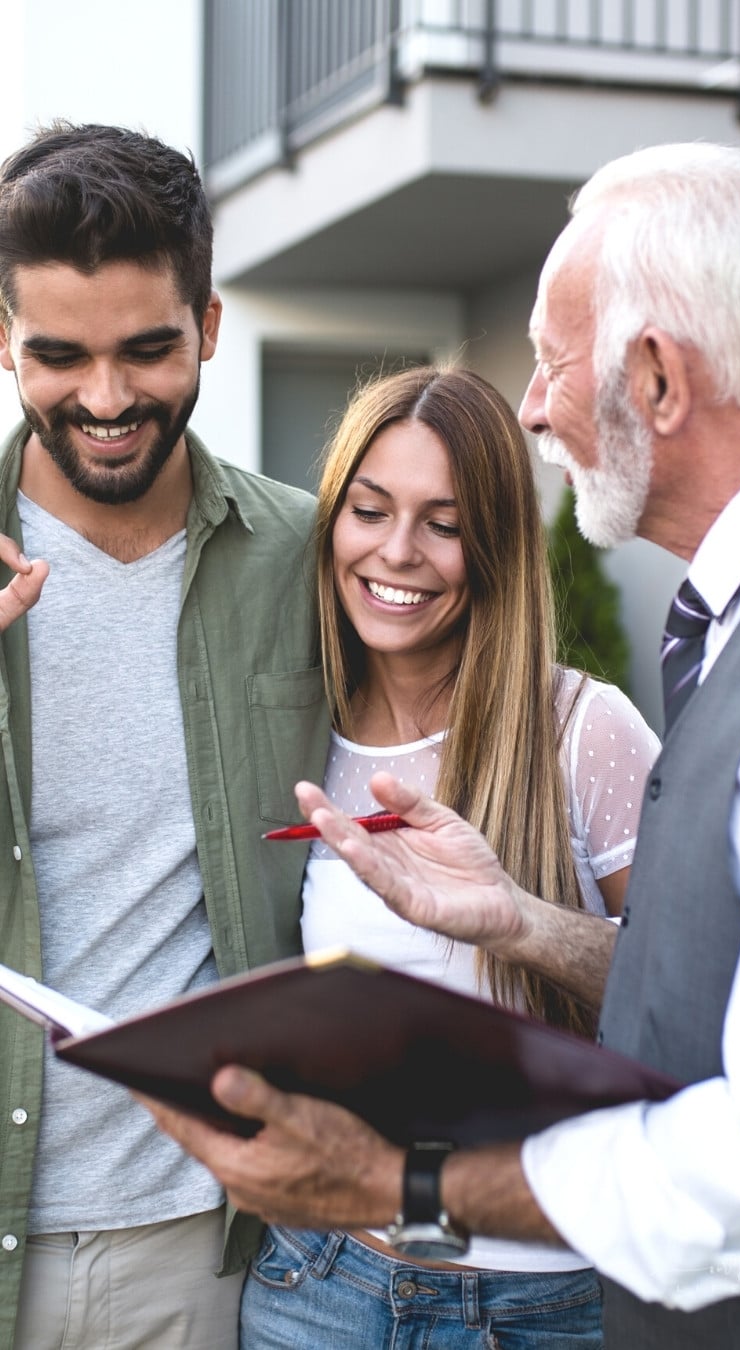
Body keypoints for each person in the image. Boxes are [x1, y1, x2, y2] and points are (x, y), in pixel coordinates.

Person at [145, 141, 740, 1349]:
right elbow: (704, 1001)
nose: (535, 406)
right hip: (319, 1293)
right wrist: (513, 920)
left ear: (654, 376)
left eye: (551, 362)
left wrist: (414, 1185)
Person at [239, 364, 659, 1348]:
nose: (397, 552)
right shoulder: (301, 736)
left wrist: (526, 925)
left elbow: (694, 1008)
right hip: (320, 1283)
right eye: (370, 510)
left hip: (541, 1303)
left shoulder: (583, 733)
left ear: (496, 545)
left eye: (444, 522)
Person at [0, 122, 330, 1350]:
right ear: (3, 339)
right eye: (58, 356)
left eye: (148, 349)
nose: (105, 399)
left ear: (208, 325)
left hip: (205, 1235)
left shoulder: (307, 556)